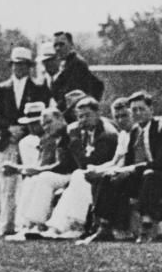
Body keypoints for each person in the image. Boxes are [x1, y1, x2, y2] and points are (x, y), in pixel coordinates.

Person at [83, 92, 162, 244]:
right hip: (146, 180)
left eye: (141, 109)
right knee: (109, 176)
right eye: (134, 110)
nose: (138, 113)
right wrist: (119, 172)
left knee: (151, 175)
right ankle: (103, 227)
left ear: (151, 109)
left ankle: (147, 226)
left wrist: (130, 170)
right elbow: (129, 163)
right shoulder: (135, 131)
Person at [39, 97, 122, 238]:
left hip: (109, 176)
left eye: (87, 115)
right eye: (80, 116)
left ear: (98, 113)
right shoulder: (83, 130)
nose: (83, 120)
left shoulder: (107, 133)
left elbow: (87, 165)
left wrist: (75, 142)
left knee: (79, 175)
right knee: (74, 180)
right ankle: (56, 227)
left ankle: (77, 225)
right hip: (93, 174)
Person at [0, 47, 52, 227]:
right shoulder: (1, 88)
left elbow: (41, 115)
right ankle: (5, 223)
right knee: (7, 184)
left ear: (29, 66)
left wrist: (24, 130)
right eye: (16, 64)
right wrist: (10, 129)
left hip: (30, 140)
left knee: (29, 181)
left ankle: (24, 223)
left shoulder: (39, 88)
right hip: (7, 140)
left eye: (23, 64)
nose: (18, 68)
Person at [4, 106, 76, 240]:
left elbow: (64, 165)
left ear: (60, 118)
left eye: (49, 122)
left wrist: (39, 170)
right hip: (66, 174)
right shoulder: (54, 137)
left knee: (43, 178)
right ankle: (27, 226)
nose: (46, 127)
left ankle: (37, 224)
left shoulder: (69, 133)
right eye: (44, 125)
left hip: (75, 174)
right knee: (35, 179)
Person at [48, 32, 104, 111]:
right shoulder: (63, 64)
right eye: (55, 45)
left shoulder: (77, 64)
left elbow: (71, 93)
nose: (58, 48)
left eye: (61, 44)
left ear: (71, 45)